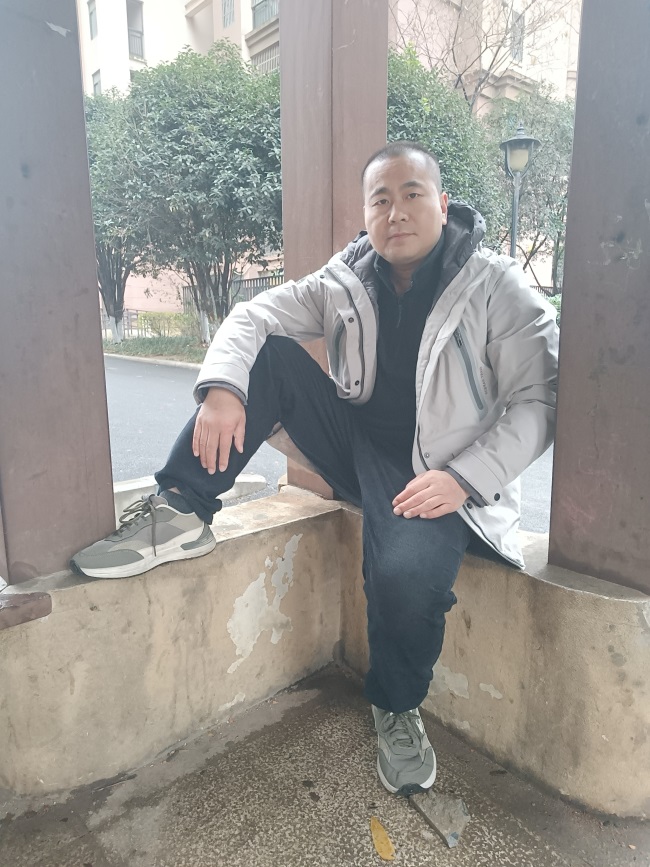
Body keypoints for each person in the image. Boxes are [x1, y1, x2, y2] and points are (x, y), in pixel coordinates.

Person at [71, 141, 559, 796]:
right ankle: (181, 508)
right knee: (268, 358)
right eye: (380, 199)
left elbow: (539, 400)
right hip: (357, 445)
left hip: (441, 474)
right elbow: (254, 314)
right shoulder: (346, 279)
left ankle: (396, 705)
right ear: (366, 213)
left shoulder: (496, 285)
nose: (395, 212)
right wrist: (223, 389)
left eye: (412, 194)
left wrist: (467, 477)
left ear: (443, 204)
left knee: (405, 576)